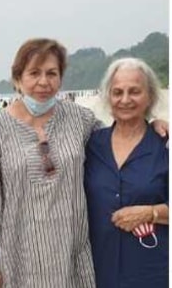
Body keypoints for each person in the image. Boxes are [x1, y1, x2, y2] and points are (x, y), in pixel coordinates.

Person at [0, 38, 98, 288]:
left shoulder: (81, 120)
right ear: (18, 78)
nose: (43, 82)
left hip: (71, 258)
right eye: (34, 73)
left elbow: (119, 142)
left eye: (51, 73)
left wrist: (153, 125)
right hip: (17, 261)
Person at [84, 58, 168, 288]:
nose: (125, 100)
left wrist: (150, 212)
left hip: (153, 271)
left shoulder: (165, 146)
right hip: (99, 271)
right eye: (117, 92)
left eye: (134, 92)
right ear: (108, 98)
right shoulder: (92, 145)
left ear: (149, 95)